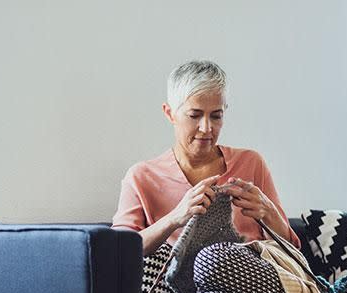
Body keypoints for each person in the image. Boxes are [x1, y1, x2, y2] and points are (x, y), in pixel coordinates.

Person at [112, 60, 300, 256]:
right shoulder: (142, 177)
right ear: (170, 114)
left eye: (216, 116)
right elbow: (118, 252)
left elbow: (292, 252)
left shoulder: (251, 163)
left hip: (251, 279)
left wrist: (269, 213)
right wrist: (176, 217)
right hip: (178, 283)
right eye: (195, 115)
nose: (206, 128)